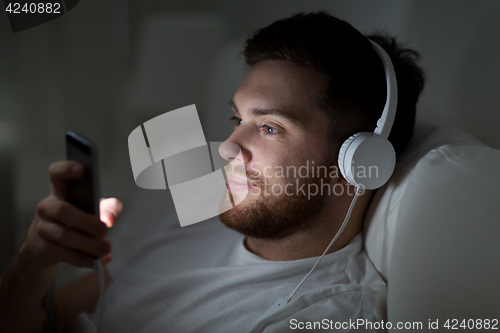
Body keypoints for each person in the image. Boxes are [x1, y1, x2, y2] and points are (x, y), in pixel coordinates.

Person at [0, 11, 425, 333]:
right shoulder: (195, 224)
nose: (227, 147)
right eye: (236, 120)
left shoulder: (327, 315)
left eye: (270, 127)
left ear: (360, 163)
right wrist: (34, 258)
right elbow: (50, 319)